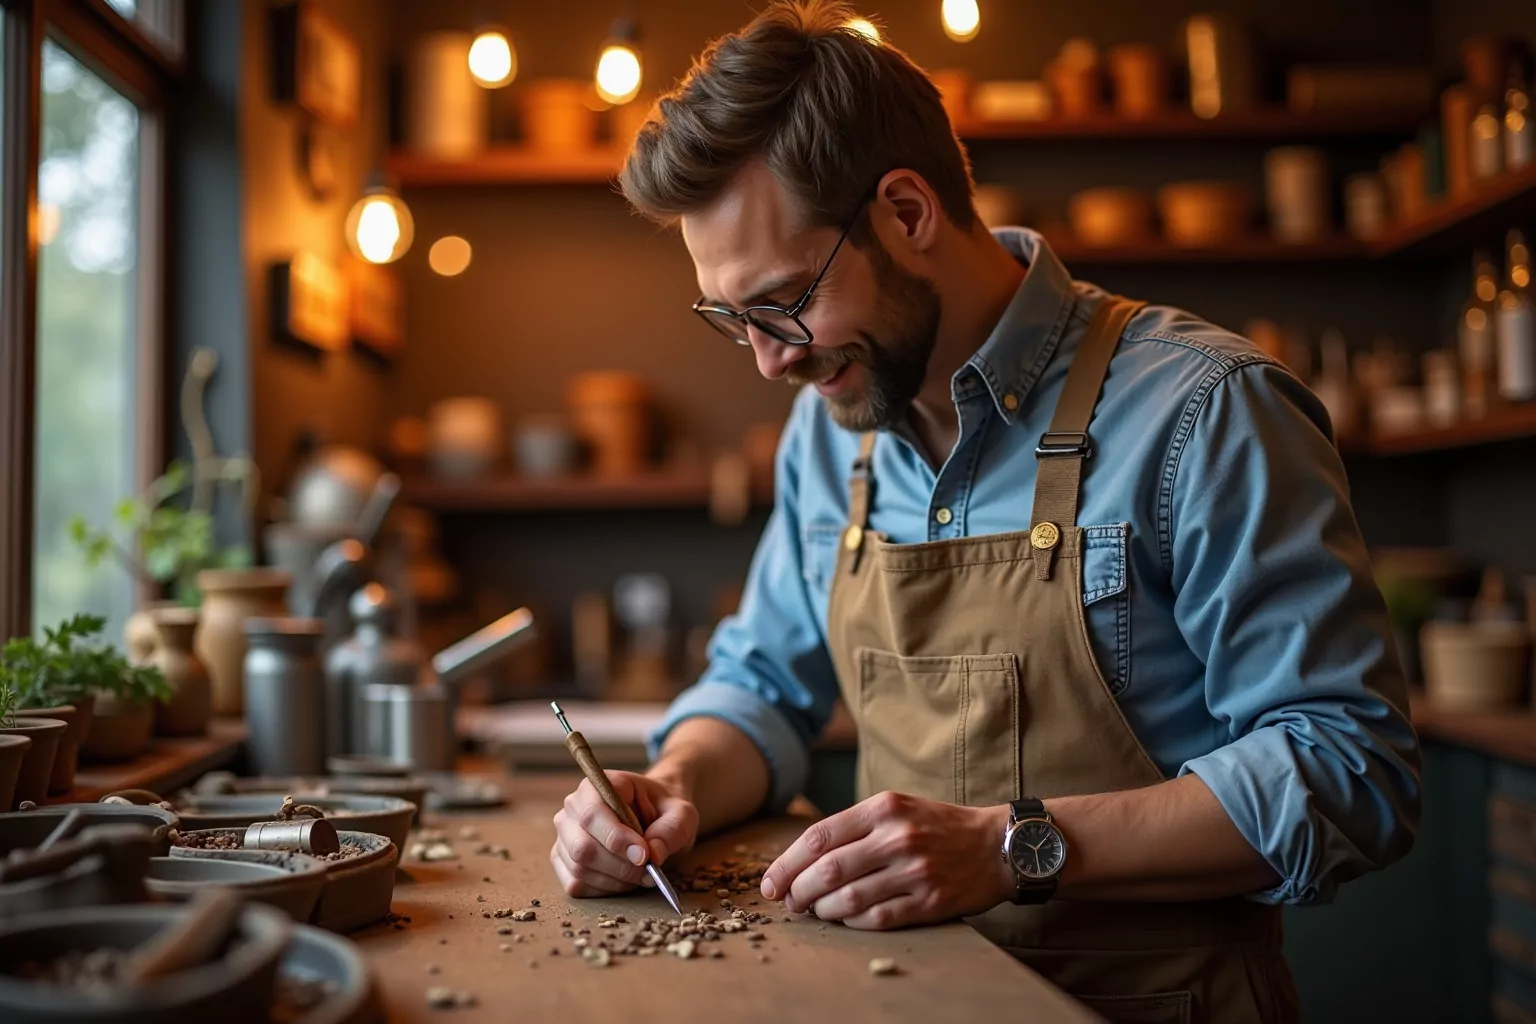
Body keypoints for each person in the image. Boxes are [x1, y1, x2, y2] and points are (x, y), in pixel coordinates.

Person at [549, 2, 1421, 1019]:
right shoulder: (832, 438)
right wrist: (673, 783)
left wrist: (1013, 847)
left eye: (784, 302)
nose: (769, 360)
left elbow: (1349, 769)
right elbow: (761, 685)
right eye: (732, 318)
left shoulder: (1204, 412)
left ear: (908, 212)